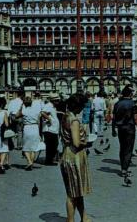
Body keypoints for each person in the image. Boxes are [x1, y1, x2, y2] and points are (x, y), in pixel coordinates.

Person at [60, 93, 91, 222]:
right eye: (82, 106)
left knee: (77, 191)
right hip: (74, 157)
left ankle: (84, 217)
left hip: (66, 153)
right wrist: (87, 142)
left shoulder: (65, 116)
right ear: (77, 106)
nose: (83, 108)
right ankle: (70, 220)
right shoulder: (74, 120)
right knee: (72, 194)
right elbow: (77, 143)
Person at [112, 85, 137, 177]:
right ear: (130, 94)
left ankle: (122, 167)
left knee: (122, 148)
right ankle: (125, 170)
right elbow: (136, 118)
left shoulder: (117, 104)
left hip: (120, 129)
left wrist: (113, 129)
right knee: (128, 149)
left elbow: (114, 118)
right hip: (129, 128)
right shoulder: (133, 104)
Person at [17, 96, 41, 170]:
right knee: (33, 147)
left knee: (26, 147)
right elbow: (39, 120)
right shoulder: (36, 110)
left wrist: (21, 107)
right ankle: (32, 162)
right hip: (35, 128)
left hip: (27, 128)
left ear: (24, 103)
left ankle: (29, 161)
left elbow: (16, 115)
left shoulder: (24, 111)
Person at [41, 92, 60, 165]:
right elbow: (42, 113)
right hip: (49, 129)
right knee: (51, 145)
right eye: (57, 100)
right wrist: (49, 119)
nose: (58, 102)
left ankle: (50, 159)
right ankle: (49, 160)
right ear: (53, 100)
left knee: (54, 144)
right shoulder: (48, 105)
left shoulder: (52, 106)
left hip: (53, 129)